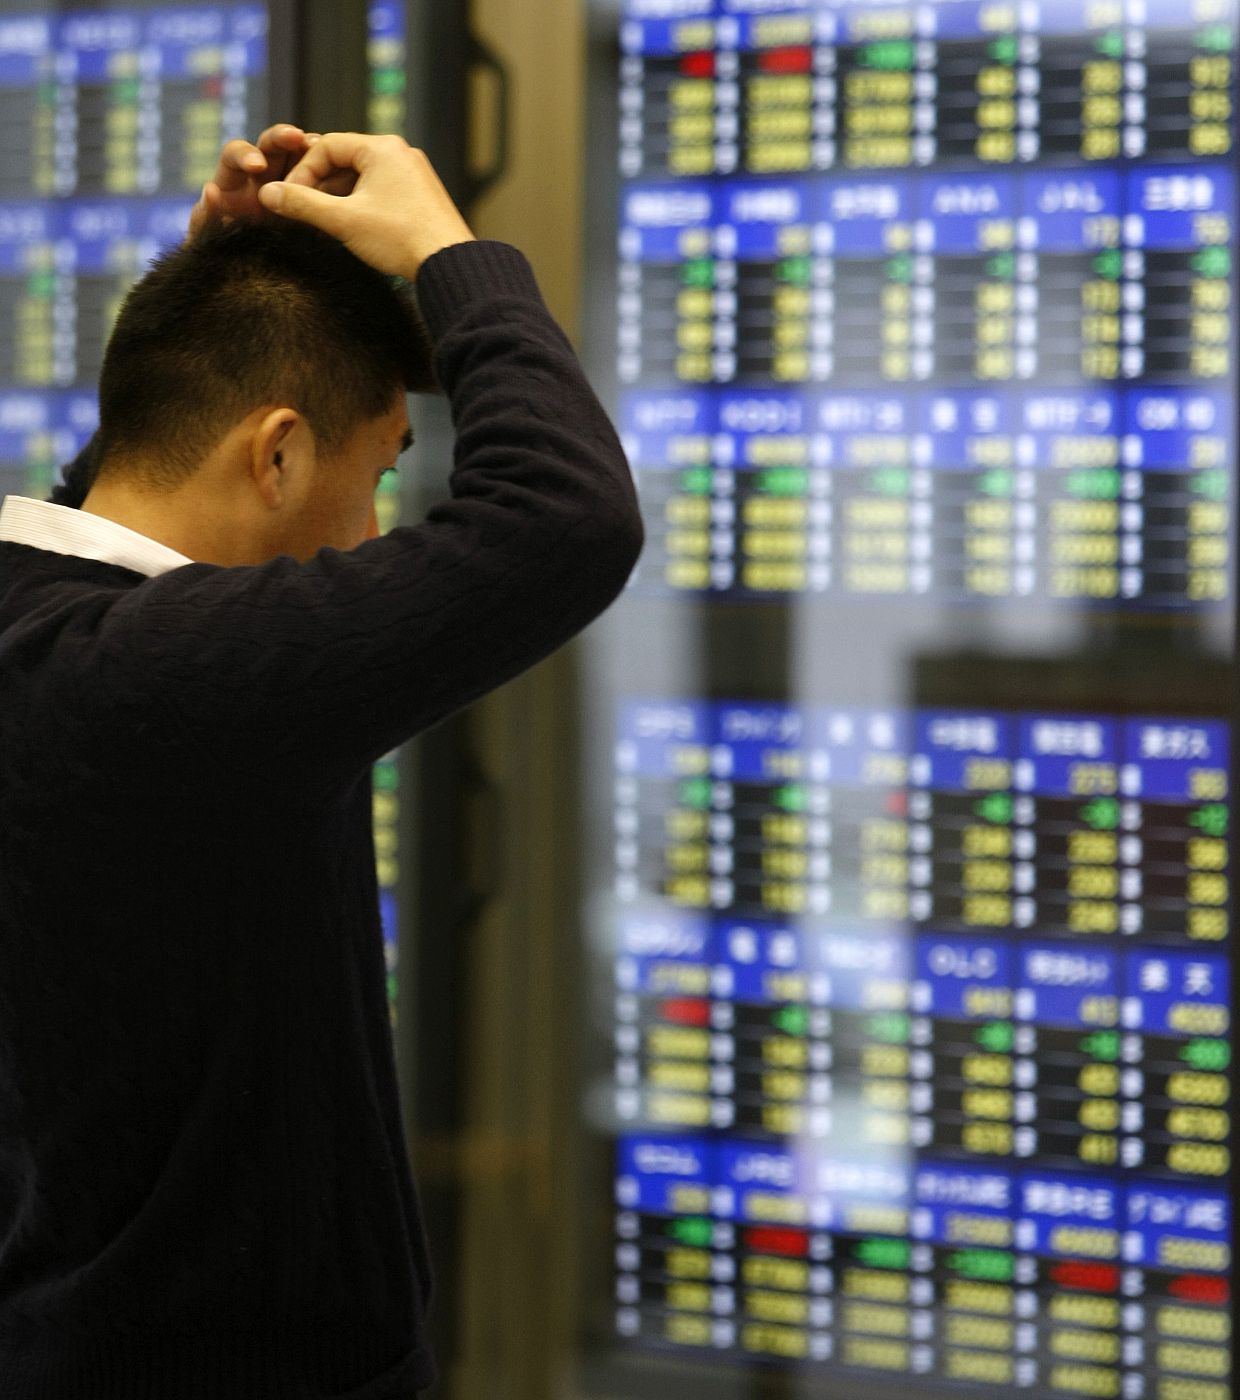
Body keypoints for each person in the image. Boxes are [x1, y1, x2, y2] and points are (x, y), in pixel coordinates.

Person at [0, 126, 643, 1399]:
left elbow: (108, 528)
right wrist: (450, 253)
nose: (371, 530)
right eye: (381, 470)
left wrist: (212, 302)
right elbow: (565, 517)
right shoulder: (167, 683)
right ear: (281, 452)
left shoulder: (52, 642)